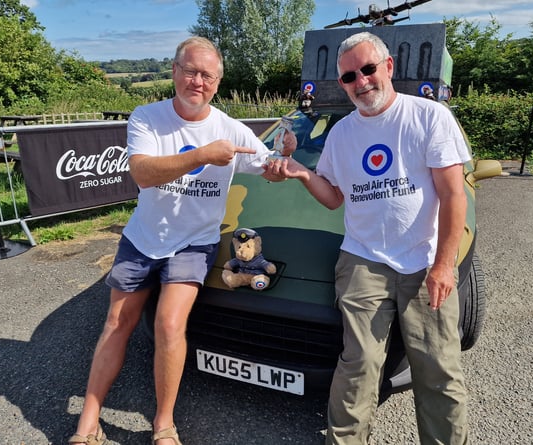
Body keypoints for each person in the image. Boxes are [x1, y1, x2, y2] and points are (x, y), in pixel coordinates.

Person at [69, 36, 294, 445]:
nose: (198, 81)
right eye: (190, 70)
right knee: (117, 323)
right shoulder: (147, 117)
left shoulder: (230, 128)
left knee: (170, 326)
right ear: (174, 71)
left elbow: (269, 168)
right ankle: (89, 417)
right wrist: (202, 155)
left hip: (193, 243)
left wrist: (281, 162)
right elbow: (142, 173)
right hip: (142, 238)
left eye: (207, 75)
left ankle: (164, 424)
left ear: (218, 83)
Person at [265, 32, 471, 444]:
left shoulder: (429, 116)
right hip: (362, 260)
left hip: (422, 260)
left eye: (368, 69)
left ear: (388, 67)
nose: (360, 82)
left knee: (437, 369)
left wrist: (445, 265)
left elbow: (453, 195)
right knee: (358, 366)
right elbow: (334, 198)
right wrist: (303, 174)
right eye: (348, 77)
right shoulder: (342, 134)